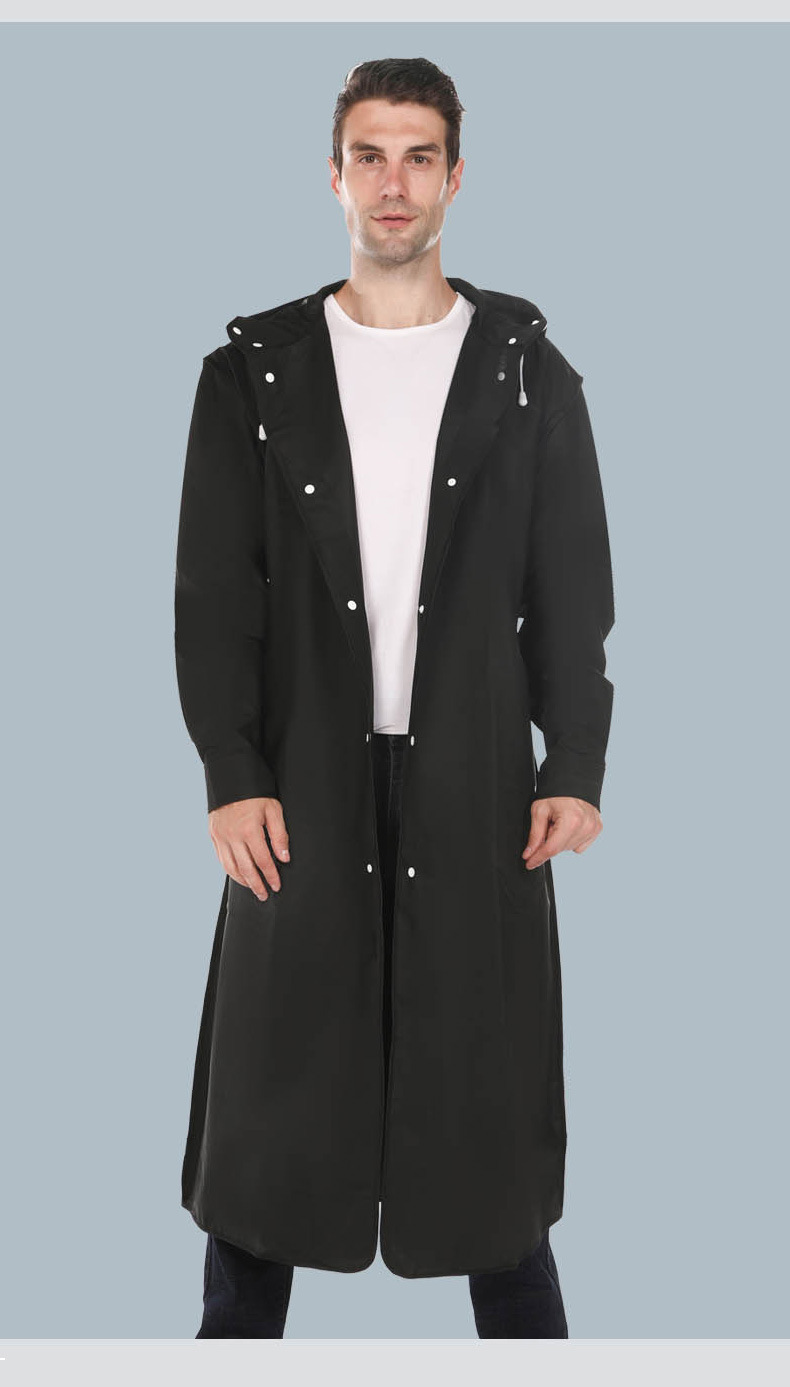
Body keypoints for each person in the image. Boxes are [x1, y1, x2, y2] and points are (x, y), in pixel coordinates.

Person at [175, 56, 614, 1339]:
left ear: (456, 178)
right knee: (269, 1114)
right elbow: (214, 599)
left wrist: (574, 762)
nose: (393, 182)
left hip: (473, 779)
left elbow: (569, 588)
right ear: (333, 174)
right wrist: (231, 771)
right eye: (369, 154)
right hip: (300, 781)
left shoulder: (526, 371)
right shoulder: (254, 373)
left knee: (485, 1118)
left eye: (419, 156)